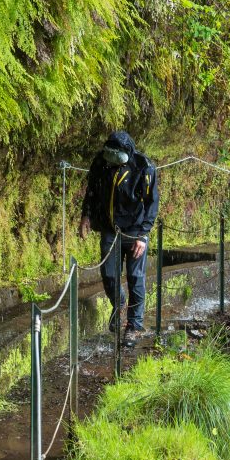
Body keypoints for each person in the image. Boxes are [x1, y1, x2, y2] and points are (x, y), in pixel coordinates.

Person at [79, 131, 159, 345]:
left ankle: (134, 326)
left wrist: (143, 235)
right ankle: (119, 304)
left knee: (135, 277)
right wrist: (86, 216)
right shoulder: (101, 162)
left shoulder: (144, 167)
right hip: (109, 229)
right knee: (109, 275)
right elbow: (92, 191)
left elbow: (152, 202)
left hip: (135, 231)